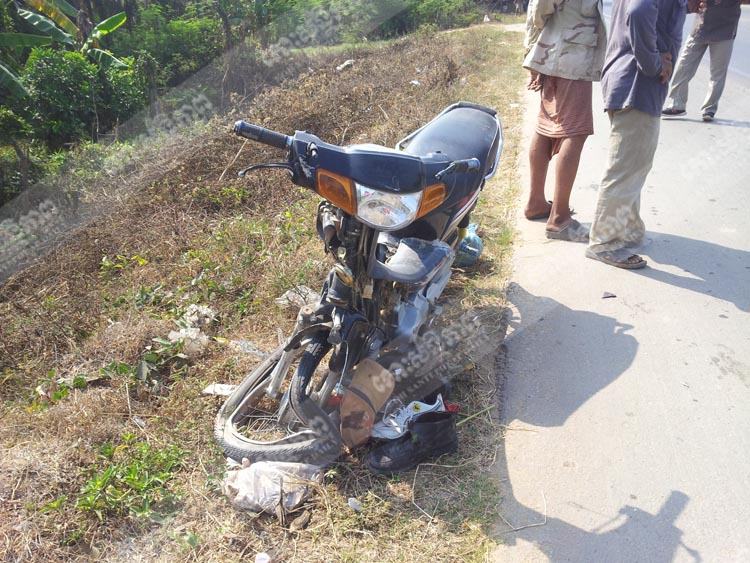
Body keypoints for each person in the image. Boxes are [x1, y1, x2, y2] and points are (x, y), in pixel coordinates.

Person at [586, 0, 703, 269]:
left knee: (633, 165)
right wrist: (654, 64)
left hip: (630, 83)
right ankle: (604, 242)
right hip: (637, 86)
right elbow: (640, 11)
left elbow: (654, 12)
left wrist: (685, 6)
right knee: (626, 169)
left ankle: (628, 230)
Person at [523, 0, 607, 242]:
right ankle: (559, 219)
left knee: (546, 125)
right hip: (571, 54)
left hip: (559, 50)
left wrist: (534, 49)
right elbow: (540, 7)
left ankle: (536, 203)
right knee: (575, 131)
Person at [662, 0, 741, 122]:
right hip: (700, 27)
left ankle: (709, 109)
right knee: (683, 66)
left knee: (717, 73)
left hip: (725, 30)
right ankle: (676, 105)